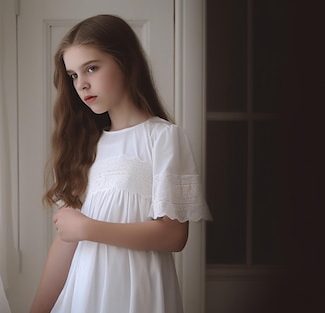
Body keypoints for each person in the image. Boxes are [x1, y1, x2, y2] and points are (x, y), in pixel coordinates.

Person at [30, 14, 212, 313]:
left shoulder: (163, 138)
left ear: (125, 62)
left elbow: (173, 235)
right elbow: (66, 243)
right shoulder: (86, 145)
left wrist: (87, 227)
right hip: (84, 293)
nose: (82, 84)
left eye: (91, 68)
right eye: (73, 75)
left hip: (137, 293)